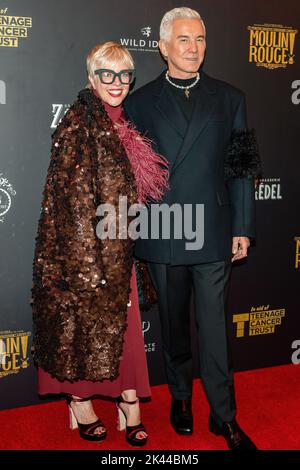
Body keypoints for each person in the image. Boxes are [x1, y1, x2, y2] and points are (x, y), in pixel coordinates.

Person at [125, 7, 261, 450]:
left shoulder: (230, 98)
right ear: (162, 47)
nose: (193, 48)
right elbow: (130, 175)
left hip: (213, 229)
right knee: (174, 324)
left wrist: (242, 225)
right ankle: (180, 398)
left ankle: (224, 416)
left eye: (200, 39)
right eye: (183, 40)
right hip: (164, 228)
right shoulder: (140, 102)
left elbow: (241, 168)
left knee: (215, 328)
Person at [31, 42, 168, 447]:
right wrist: (86, 267)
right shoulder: (78, 124)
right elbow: (70, 204)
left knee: (122, 331)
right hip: (86, 255)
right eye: (106, 74)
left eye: (124, 74)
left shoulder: (125, 122)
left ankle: (129, 399)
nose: (116, 82)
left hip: (118, 251)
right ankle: (80, 400)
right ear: (91, 78)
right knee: (83, 330)